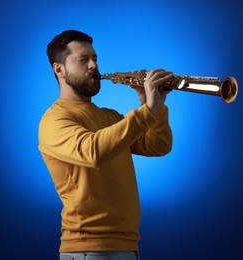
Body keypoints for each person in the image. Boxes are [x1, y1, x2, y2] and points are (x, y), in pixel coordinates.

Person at [38, 30, 173, 260]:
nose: (93, 65)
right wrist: (146, 111)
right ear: (58, 69)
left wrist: (155, 107)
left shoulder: (110, 117)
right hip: (88, 249)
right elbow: (94, 152)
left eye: (95, 59)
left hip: (127, 244)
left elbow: (157, 145)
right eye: (83, 60)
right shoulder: (54, 120)